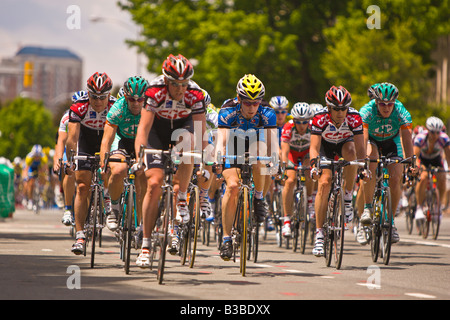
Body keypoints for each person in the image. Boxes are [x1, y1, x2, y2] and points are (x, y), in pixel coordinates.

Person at [134, 54, 207, 267]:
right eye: (175, 84)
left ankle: (181, 196)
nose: (180, 89)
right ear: (166, 81)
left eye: (184, 84)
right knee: (154, 183)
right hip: (157, 130)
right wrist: (140, 156)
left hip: (182, 128)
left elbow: (201, 132)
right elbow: (144, 128)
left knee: (189, 143)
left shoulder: (195, 94)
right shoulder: (154, 91)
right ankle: (146, 245)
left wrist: (203, 162)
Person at [216, 74, 278, 261]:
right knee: (233, 187)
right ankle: (226, 239)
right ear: (238, 99)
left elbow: (271, 143)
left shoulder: (267, 112)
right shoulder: (227, 110)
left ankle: (259, 198)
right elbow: (222, 140)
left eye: (255, 103)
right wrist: (219, 158)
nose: (252, 107)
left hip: (255, 145)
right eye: (247, 103)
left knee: (261, 154)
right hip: (232, 147)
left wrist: (275, 161)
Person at [309, 86, 366, 257]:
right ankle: (319, 235)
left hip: (344, 145)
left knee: (351, 153)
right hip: (325, 147)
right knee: (325, 182)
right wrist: (314, 165)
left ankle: (348, 196)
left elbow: (360, 147)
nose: (341, 112)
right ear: (329, 107)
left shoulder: (355, 117)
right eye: (336, 109)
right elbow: (314, 147)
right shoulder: (319, 117)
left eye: (344, 108)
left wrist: (363, 167)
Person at [358, 82, 417, 244]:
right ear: (376, 102)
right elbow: (362, 139)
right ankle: (367, 209)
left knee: (396, 177)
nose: (386, 107)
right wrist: (363, 162)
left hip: (392, 141)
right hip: (372, 140)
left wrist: (411, 163)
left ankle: (391, 223)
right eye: (382, 104)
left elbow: (407, 139)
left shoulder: (400, 111)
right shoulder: (366, 111)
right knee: (371, 160)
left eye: (390, 104)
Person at [66, 72, 115, 255]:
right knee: (81, 187)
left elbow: (118, 136)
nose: (98, 101)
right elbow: (72, 139)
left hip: (108, 141)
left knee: (110, 168)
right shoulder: (79, 107)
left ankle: (108, 195)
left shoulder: (115, 106)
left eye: (102, 97)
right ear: (88, 94)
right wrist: (70, 160)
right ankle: (79, 236)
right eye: (94, 97)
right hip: (85, 142)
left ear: (109, 95)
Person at [99, 76, 149, 233]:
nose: (136, 103)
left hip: (142, 143)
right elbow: (106, 140)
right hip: (122, 141)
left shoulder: (151, 108)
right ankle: (114, 209)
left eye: (140, 99)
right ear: (125, 97)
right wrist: (104, 163)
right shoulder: (118, 108)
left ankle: (141, 224)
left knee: (143, 177)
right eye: (131, 99)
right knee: (119, 170)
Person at [280, 102, 314, 237]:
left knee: (310, 172)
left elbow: (314, 148)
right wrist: (284, 166)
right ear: (293, 120)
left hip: (306, 153)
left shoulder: (313, 129)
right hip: (292, 154)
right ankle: (287, 220)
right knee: (290, 180)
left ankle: (310, 201)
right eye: (298, 122)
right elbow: (284, 150)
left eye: (305, 121)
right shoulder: (288, 128)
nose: (301, 125)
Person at [54, 90, 87, 226]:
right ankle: (68, 209)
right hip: (71, 146)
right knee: (69, 171)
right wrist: (58, 158)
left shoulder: (89, 113)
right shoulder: (67, 117)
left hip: (85, 146)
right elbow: (61, 141)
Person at [413, 116, 450, 220]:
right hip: (423, 159)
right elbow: (415, 156)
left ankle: (438, 207)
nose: (435, 135)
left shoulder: (444, 138)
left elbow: (448, 155)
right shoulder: (420, 138)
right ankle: (419, 207)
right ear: (428, 130)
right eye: (433, 132)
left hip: (436, 159)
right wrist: (418, 167)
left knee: (442, 178)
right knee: (423, 177)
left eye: (438, 132)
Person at [23, 144, 48, 210]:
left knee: (43, 177)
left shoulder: (43, 157)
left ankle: (41, 195)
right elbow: (26, 169)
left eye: (38, 156)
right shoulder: (29, 157)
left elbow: (45, 168)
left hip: (39, 168)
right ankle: (30, 201)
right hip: (31, 168)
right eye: (35, 156)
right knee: (30, 183)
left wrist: (44, 176)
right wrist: (26, 177)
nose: (37, 158)